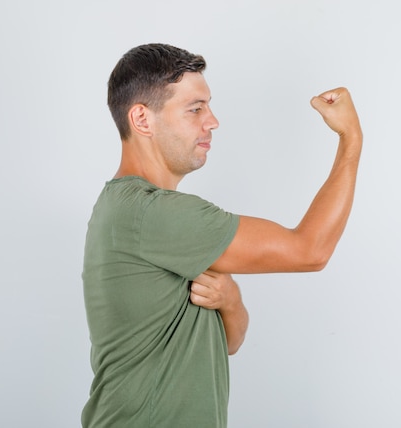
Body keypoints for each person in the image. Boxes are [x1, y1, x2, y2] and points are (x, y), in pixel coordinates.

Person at [82, 43, 362, 427]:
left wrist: (231, 301)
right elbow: (310, 250)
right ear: (143, 120)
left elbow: (226, 345)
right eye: (195, 108)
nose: (212, 121)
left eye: (208, 106)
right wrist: (351, 138)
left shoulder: (138, 214)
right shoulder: (152, 213)